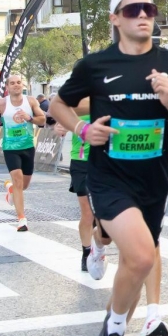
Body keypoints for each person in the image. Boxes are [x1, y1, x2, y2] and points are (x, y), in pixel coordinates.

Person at [49, 0, 168, 336]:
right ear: (115, 18)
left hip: (153, 180)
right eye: (133, 10)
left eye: (149, 10)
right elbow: (56, 105)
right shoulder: (95, 66)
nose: (142, 16)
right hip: (108, 178)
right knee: (138, 256)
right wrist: (82, 128)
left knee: (135, 268)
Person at [0, 74, 46, 231]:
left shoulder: (31, 101)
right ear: (7, 87)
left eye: (19, 82)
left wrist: (29, 118)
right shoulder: (2, 103)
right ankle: (22, 219)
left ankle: (11, 191)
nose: (16, 85)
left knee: (24, 185)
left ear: (23, 85)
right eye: (12, 83)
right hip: (10, 148)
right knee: (17, 180)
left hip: (28, 146)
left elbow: (42, 120)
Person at [53, 98, 103, 275]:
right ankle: (86, 252)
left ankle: (98, 247)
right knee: (87, 213)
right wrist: (59, 126)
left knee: (101, 215)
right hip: (81, 161)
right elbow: (60, 115)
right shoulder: (76, 103)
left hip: (105, 162)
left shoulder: (108, 97)